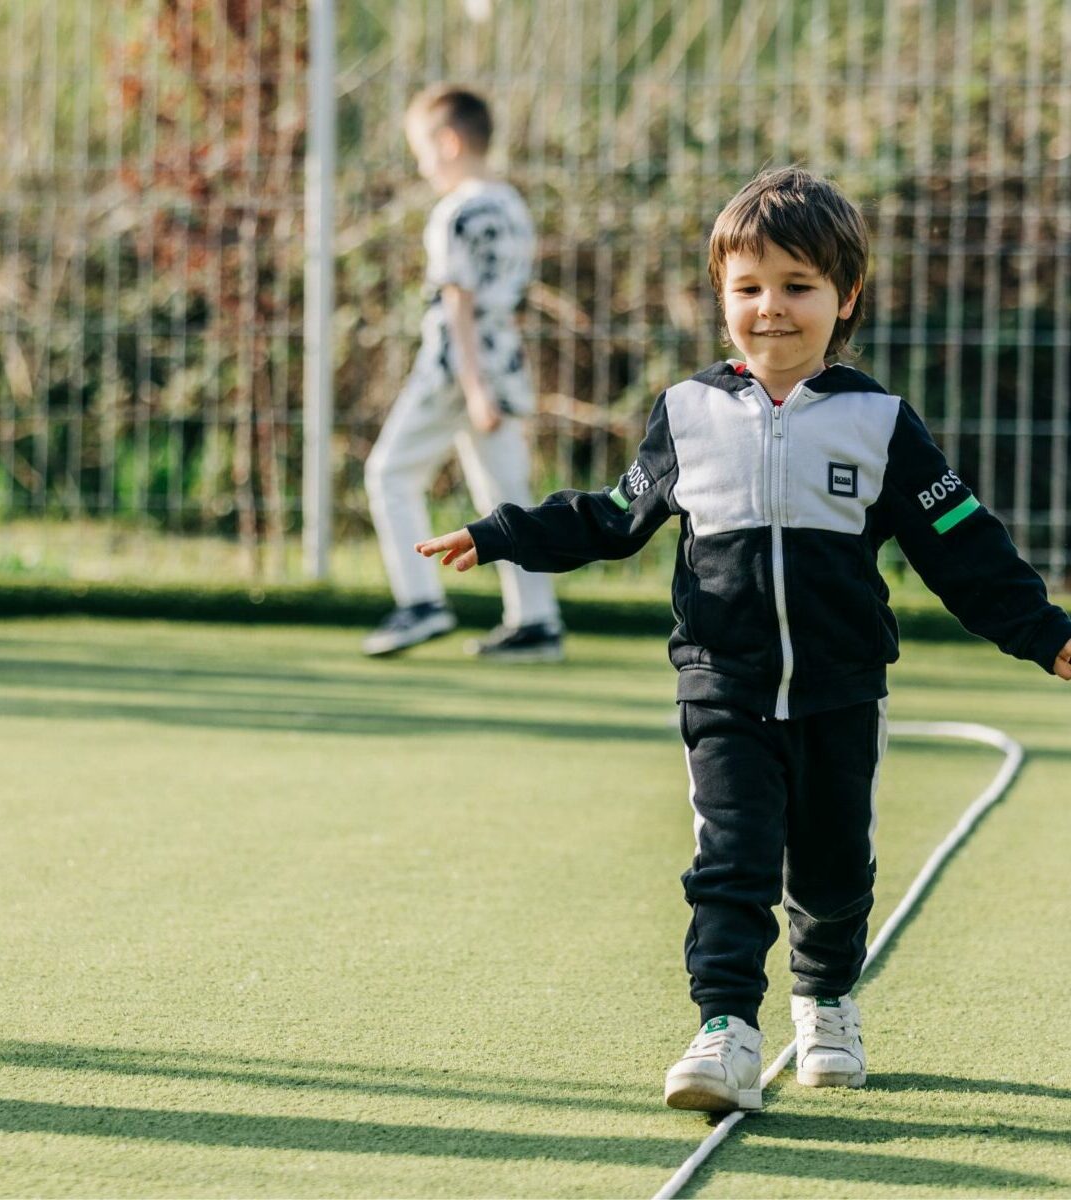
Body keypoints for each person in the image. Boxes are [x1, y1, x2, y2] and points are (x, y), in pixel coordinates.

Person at [416, 167, 1071, 1112]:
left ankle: (827, 999)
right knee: (731, 861)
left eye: (798, 286)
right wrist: (503, 532)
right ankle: (725, 1029)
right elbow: (611, 518)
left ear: (845, 298)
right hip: (721, 685)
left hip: (843, 692)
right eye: (749, 288)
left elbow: (962, 547)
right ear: (722, 297)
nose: (772, 309)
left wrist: (1048, 635)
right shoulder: (688, 414)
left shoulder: (881, 424)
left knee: (836, 867)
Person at [362, 85, 562, 662]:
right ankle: (537, 621)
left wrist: (471, 387)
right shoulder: (510, 204)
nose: (421, 165)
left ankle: (420, 602)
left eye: (422, 150)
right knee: (506, 495)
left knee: (389, 474)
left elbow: (458, 302)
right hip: (505, 361)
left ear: (448, 142)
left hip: (458, 365)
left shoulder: (457, 211)